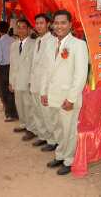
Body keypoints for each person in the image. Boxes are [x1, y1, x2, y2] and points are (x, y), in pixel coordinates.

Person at [42, 10, 88, 175]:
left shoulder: (78, 44)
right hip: (53, 95)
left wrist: (71, 98)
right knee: (57, 128)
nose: (59, 26)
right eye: (56, 23)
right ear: (52, 25)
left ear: (70, 24)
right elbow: (47, 71)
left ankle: (69, 160)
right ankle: (60, 155)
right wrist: (44, 92)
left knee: (69, 131)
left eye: (63, 23)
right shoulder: (51, 44)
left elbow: (81, 75)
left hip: (68, 98)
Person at [30, 13, 58, 150]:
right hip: (35, 83)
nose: (39, 26)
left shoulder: (52, 41)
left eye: (42, 23)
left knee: (47, 114)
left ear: (48, 24)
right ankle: (43, 136)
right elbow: (34, 64)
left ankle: (53, 140)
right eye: (37, 23)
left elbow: (50, 67)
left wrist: (46, 88)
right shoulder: (37, 40)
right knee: (38, 112)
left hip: (45, 85)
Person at [9, 19, 38, 140]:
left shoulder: (34, 43)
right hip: (16, 81)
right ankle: (24, 124)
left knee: (28, 105)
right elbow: (12, 64)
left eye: (23, 27)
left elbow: (35, 65)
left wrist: (32, 81)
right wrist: (11, 82)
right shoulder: (14, 44)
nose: (21, 30)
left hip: (27, 81)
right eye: (19, 27)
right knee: (19, 104)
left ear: (29, 29)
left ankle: (32, 129)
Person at [0, 21, 18, 122]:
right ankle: (16, 112)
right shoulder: (14, 40)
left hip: (4, 68)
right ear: (8, 29)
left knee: (5, 91)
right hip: (14, 67)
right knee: (13, 90)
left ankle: (9, 114)